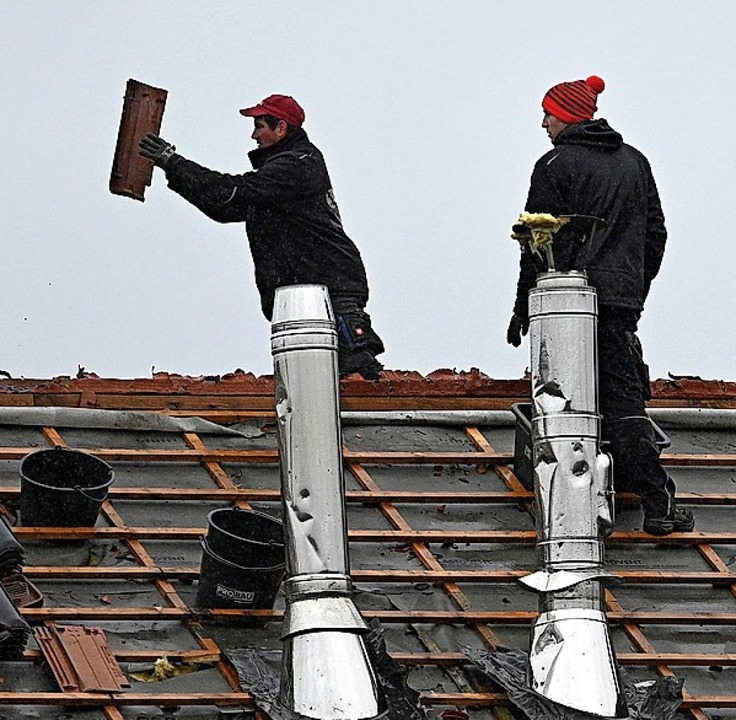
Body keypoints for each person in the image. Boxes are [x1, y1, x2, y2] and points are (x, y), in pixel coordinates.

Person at [507, 75, 695, 536]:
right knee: (620, 394)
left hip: (566, 300)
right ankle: (649, 502)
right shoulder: (635, 163)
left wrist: (522, 306)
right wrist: (634, 287)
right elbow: (656, 233)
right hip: (619, 300)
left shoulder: (554, 164)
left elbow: (537, 240)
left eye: (548, 113)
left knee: (571, 401)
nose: (543, 123)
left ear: (566, 116)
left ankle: (612, 502)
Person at [139, 94, 385, 380]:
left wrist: (174, 162)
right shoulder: (275, 178)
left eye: (259, 126)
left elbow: (231, 190)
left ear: (280, 128)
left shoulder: (299, 164)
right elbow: (224, 205)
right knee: (310, 382)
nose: (254, 135)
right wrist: (175, 170)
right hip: (303, 295)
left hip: (330, 291)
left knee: (356, 375)